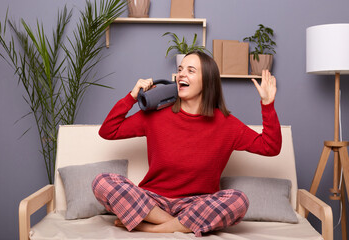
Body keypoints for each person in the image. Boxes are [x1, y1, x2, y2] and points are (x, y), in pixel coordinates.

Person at [92, 51, 282, 237]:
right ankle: (176, 224)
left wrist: (267, 104)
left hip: (197, 204)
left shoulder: (227, 124)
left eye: (191, 70)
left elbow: (270, 147)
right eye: (181, 69)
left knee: (239, 200)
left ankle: (152, 227)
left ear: (207, 81)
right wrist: (132, 97)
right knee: (101, 181)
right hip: (153, 201)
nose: (182, 74)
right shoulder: (155, 115)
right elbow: (108, 131)